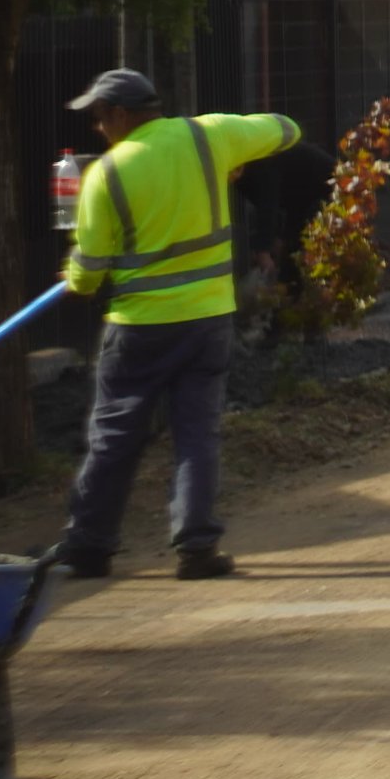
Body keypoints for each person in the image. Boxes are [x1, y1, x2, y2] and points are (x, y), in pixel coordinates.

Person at [51, 70, 302, 581]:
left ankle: (89, 547)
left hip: (139, 327)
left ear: (121, 116)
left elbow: (89, 271)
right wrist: (235, 158)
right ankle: (197, 547)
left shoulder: (107, 174)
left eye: (100, 118)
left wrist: (74, 274)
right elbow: (287, 128)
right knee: (196, 434)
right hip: (207, 321)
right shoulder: (207, 136)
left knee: (115, 434)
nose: (99, 128)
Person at [233, 138, 338, 291]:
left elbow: (268, 204)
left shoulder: (260, 163)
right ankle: (293, 295)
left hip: (330, 193)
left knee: (305, 252)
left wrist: (263, 250)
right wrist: (277, 239)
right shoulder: (246, 173)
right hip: (303, 199)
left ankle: (305, 294)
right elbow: (278, 205)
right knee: (292, 252)